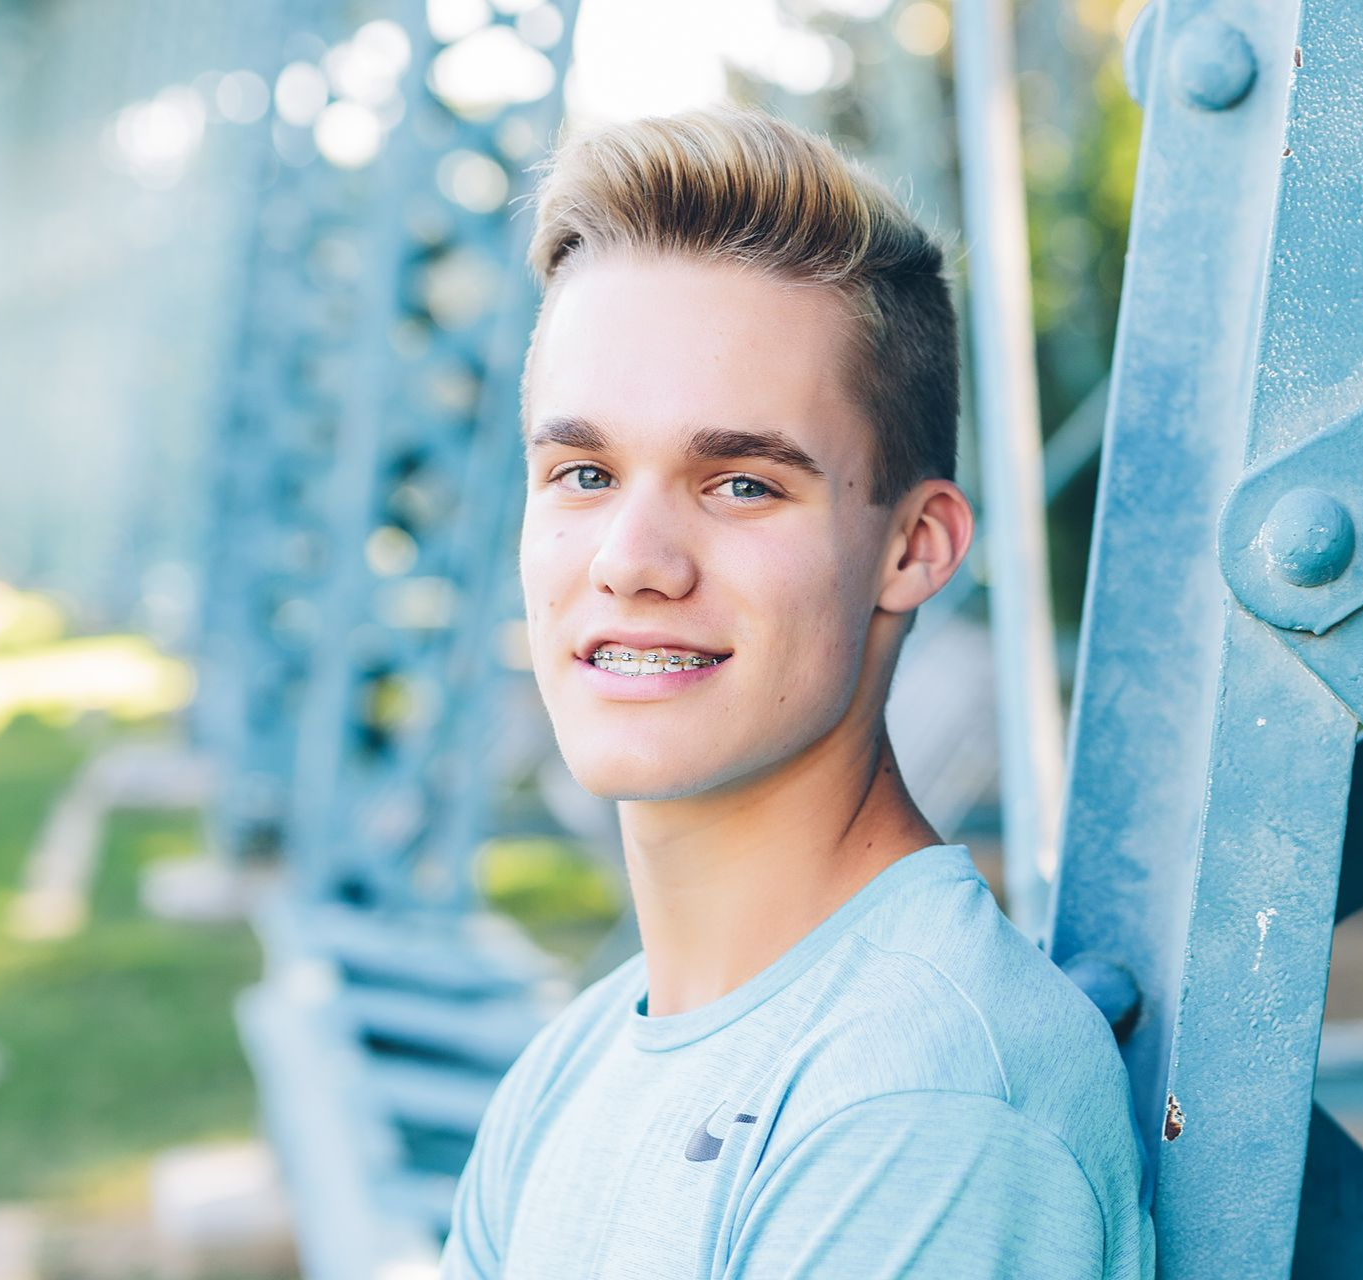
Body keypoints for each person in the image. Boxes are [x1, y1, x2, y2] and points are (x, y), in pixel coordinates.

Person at [439, 106, 1153, 1279]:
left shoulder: (920, 1106)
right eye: (582, 471)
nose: (632, 559)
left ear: (913, 546)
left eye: (741, 484)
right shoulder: (578, 1064)